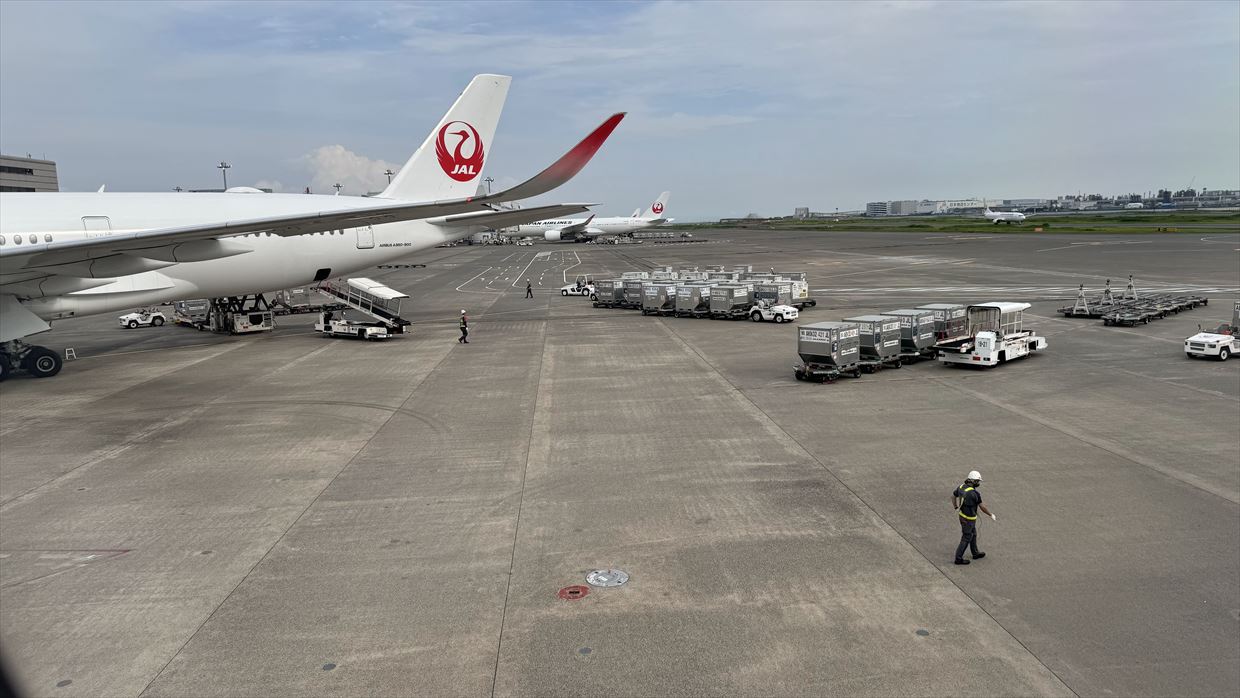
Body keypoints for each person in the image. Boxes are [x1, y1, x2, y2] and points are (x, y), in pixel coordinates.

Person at [952, 470, 995, 565]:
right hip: (969, 519)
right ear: (973, 481)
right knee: (966, 537)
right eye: (978, 481)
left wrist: (955, 507)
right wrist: (990, 514)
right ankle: (958, 558)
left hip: (962, 516)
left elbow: (953, 496)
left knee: (973, 534)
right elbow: (982, 507)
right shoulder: (974, 494)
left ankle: (975, 553)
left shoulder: (961, 487)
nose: (978, 483)